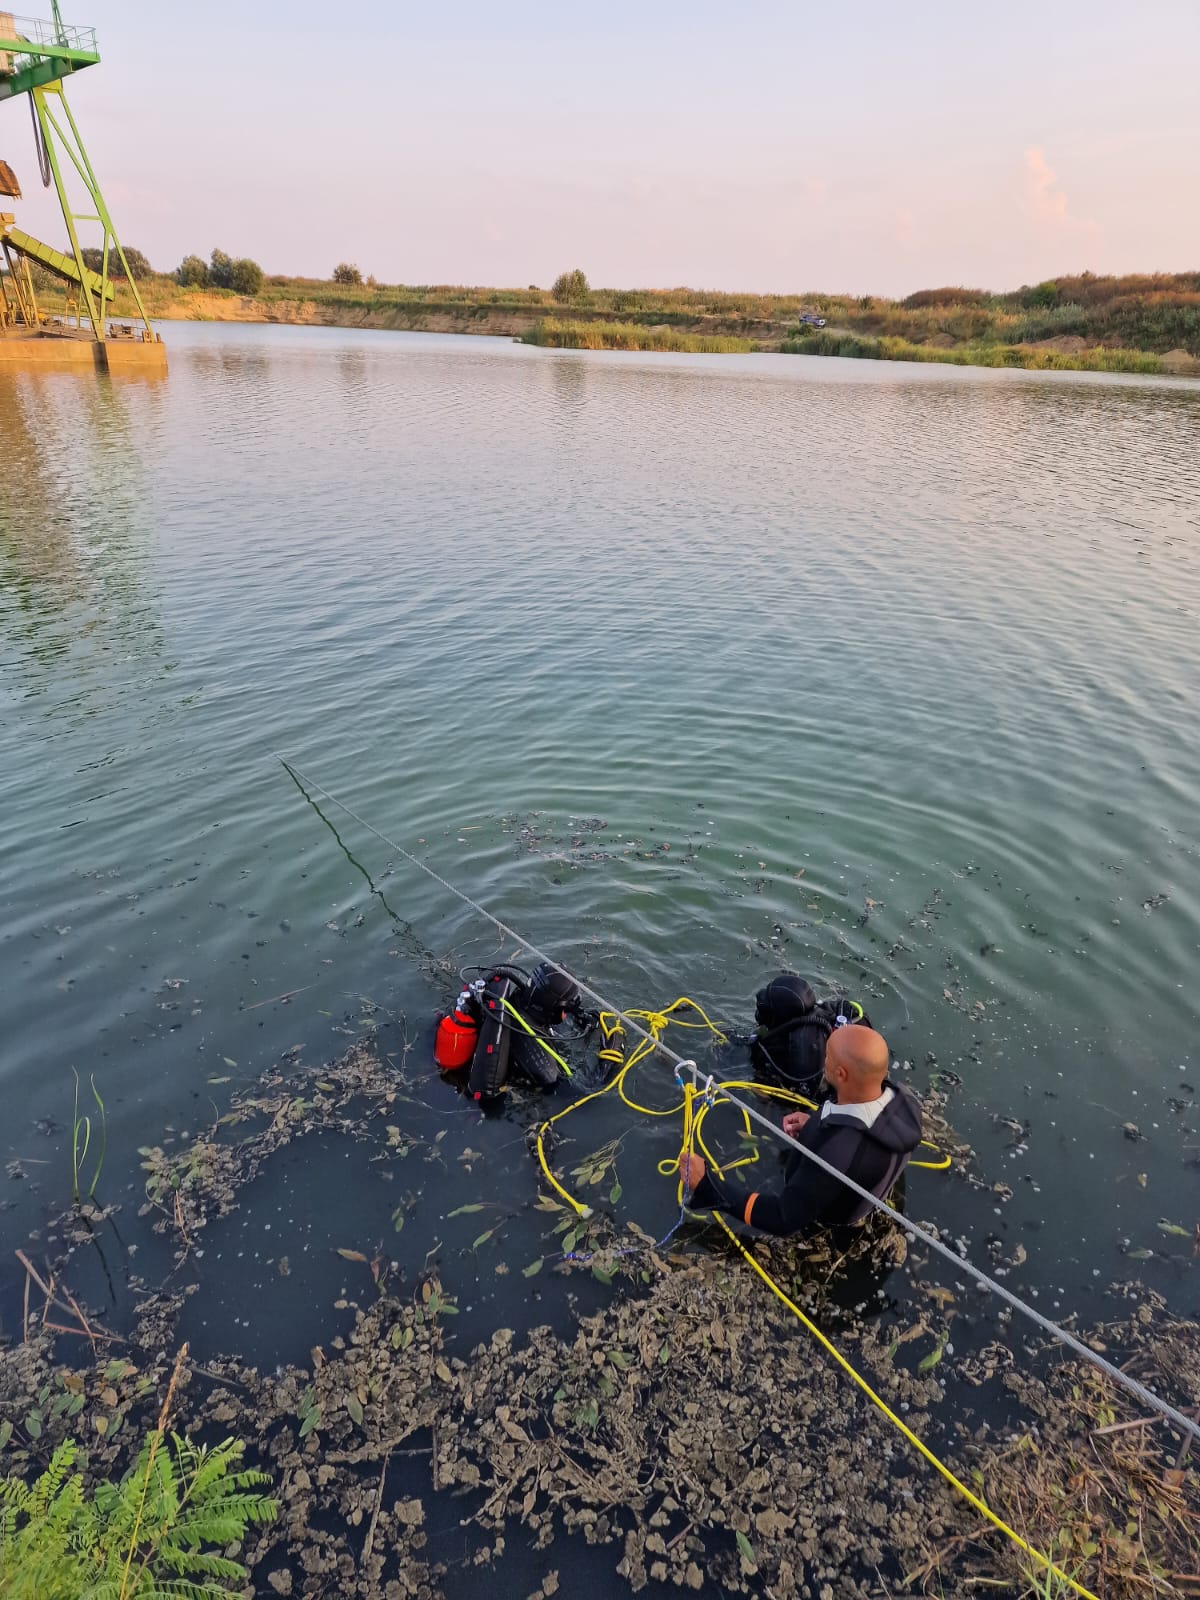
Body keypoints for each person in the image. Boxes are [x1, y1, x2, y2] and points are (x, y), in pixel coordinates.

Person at [679, 1023, 921, 1236]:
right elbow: (860, 1128)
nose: (823, 1060)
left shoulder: (834, 1154)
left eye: (827, 1056)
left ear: (840, 1073)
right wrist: (815, 1123)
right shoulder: (906, 1101)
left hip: (826, 1209)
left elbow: (783, 1219)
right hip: (852, 1174)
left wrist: (706, 1185)